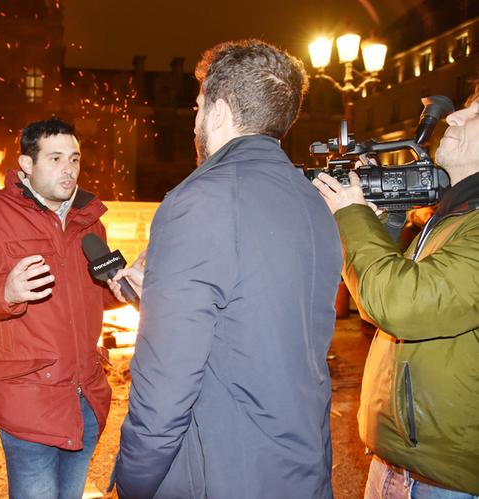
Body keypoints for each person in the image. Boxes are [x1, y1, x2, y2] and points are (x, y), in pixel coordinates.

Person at [110, 39, 343, 498]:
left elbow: (166, 381)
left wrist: (135, 479)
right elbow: (256, 324)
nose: (193, 122)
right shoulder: (314, 203)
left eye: (198, 107)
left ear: (217, 113)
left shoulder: (200, 201)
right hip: (299, 466)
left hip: (220, 471)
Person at [313, 87, 479, 497]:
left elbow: (401, 304)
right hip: (399, 469)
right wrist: (380, 224)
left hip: (448, 484)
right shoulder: (453, 221)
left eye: (476, 114)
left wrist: (351, 213)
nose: (452, 118)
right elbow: (381, 296)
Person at [0, 118, 119, 499]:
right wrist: (4, 290)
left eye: (73, 158)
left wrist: (122, 289)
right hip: (28, 400)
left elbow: (94, 295)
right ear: (26, 164)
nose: (68, 169)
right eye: (54, 158)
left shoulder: (90, 221)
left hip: (85, 398)